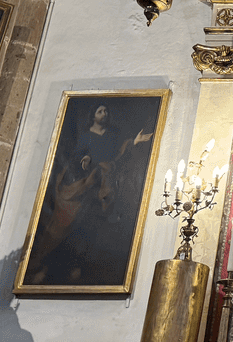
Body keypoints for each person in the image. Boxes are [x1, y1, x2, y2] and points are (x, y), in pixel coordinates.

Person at [24, 104, 153, 285]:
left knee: (93, 226)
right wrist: (84, 159)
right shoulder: (86, 136)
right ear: (93, 115)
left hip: (105, 179)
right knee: (73, 223)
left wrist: (134, 142)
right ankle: (52, 264)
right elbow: (78, 155)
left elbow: (119, 153)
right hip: (87, 181)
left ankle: (79, 265)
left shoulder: (112, 135)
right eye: (100, 111)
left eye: (106, 111)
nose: (104, 113)